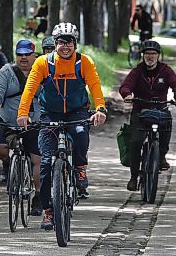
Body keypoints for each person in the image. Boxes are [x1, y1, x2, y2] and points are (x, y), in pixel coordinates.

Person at [16, 22, 107, 230]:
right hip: (50, 114)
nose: (65, 46)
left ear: (75, 44)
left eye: (69, 42)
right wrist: (22, 113)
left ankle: (80, 169)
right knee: (46, 163)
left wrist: (100, 108)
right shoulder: (42, 63)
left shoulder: (84, 62)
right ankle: (49, 211)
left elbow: (94, 85)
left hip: (77, 111)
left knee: (81, 134)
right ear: (55, 44)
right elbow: (29, 89)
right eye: (60, 42)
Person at [0, 39, 43, 216]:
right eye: (19, 54)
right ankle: (8, 163)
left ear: (34, 55)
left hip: (34, 123)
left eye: (27, 54)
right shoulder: (6, 71)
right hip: (8, 121)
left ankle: (38, 197)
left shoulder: (42, 71)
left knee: (38, 160)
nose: (23, 58)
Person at [118, 40, 176, 192]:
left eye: (153, 54)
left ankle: (161, 156)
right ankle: (134, 177)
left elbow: (175, 83)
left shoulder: (165, 70)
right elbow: (125, 85)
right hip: (140, 111)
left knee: (166, 130)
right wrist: (127, 95)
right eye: (147, 53)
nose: (150, 56)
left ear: (158, 56)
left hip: (161, 110)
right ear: (142, 55)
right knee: (135, 142)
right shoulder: (137, 71)